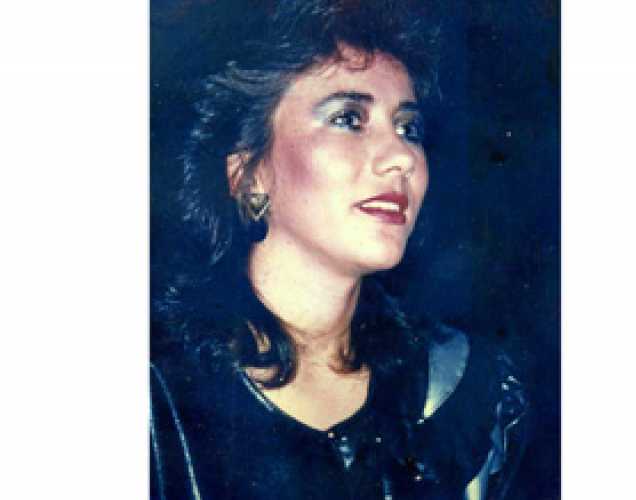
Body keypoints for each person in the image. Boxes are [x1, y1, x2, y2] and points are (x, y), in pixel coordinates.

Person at [150, 1, 528, 499]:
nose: (401, 157)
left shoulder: (466, 396)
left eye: (408, 128)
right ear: (249, 176)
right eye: (349, 118)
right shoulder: (158, 398)